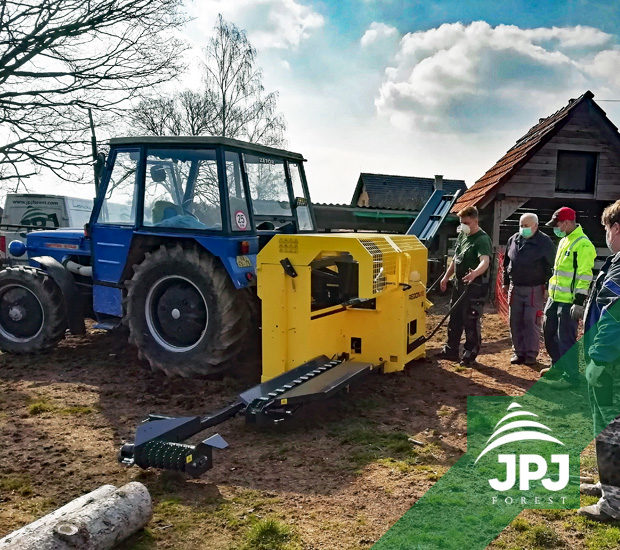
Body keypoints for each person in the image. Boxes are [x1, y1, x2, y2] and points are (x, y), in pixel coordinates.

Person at [578, 199, 620, 522]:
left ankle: (613, 504)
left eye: (606, 228)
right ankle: (607, 487)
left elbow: (614, 315)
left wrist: (599, 358)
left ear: (615, 228)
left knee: (610, 431)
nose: (604, 234)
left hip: (611, 368)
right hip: (609, 364)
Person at [541, 206, 597, 387]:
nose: (555, 228)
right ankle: (557, 366)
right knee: (549, 332)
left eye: (557, 224)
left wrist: (579, 301)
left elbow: (584, 275)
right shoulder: (565, 240)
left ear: (566, 222)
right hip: (554, 298)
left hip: (569, 302)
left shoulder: (583, 244)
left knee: (566, 338)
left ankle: (571, 377)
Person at [439, 206, 492, 366]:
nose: (463, 226)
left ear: (475, 221)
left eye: (466, 222)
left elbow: (485, 261)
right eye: (461, 222)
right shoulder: (463, 235)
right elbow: (456, 259)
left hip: (474, 287)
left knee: (471, 320)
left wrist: (475, 273)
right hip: (459, 285)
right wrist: (446, 277)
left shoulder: (482, 239)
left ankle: (470, 355)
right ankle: (451, 350)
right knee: (454, 318)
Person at [502, 213, 555, 366]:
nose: (523, 229)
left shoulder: (544, 242)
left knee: (531, 322)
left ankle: (531, 354)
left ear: (535, 226)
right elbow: (507, 263)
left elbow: (551, 267)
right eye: (521, 225)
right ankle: (518, 352)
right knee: (515, 321)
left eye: (526, 226)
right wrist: (506, 283)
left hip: (535, 289)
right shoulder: (513, 240)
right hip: (515, 287)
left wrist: (547, 286)